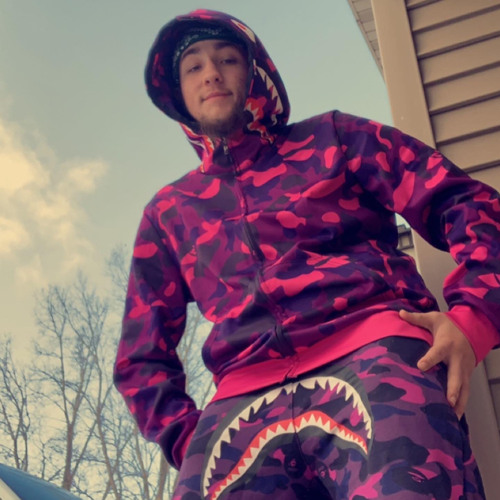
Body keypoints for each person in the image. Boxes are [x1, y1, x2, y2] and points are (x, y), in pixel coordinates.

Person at [113, 9, 500, 499]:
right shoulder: (168, 213)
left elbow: (468, 204)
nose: (210, 73)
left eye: (227, 58)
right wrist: (186, 438)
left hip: (373, 354)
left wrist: (472, 319)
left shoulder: (335, 138)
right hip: (240, 405)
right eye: (193, 66)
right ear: (177, 92)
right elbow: (139, 357)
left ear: (255, 72)